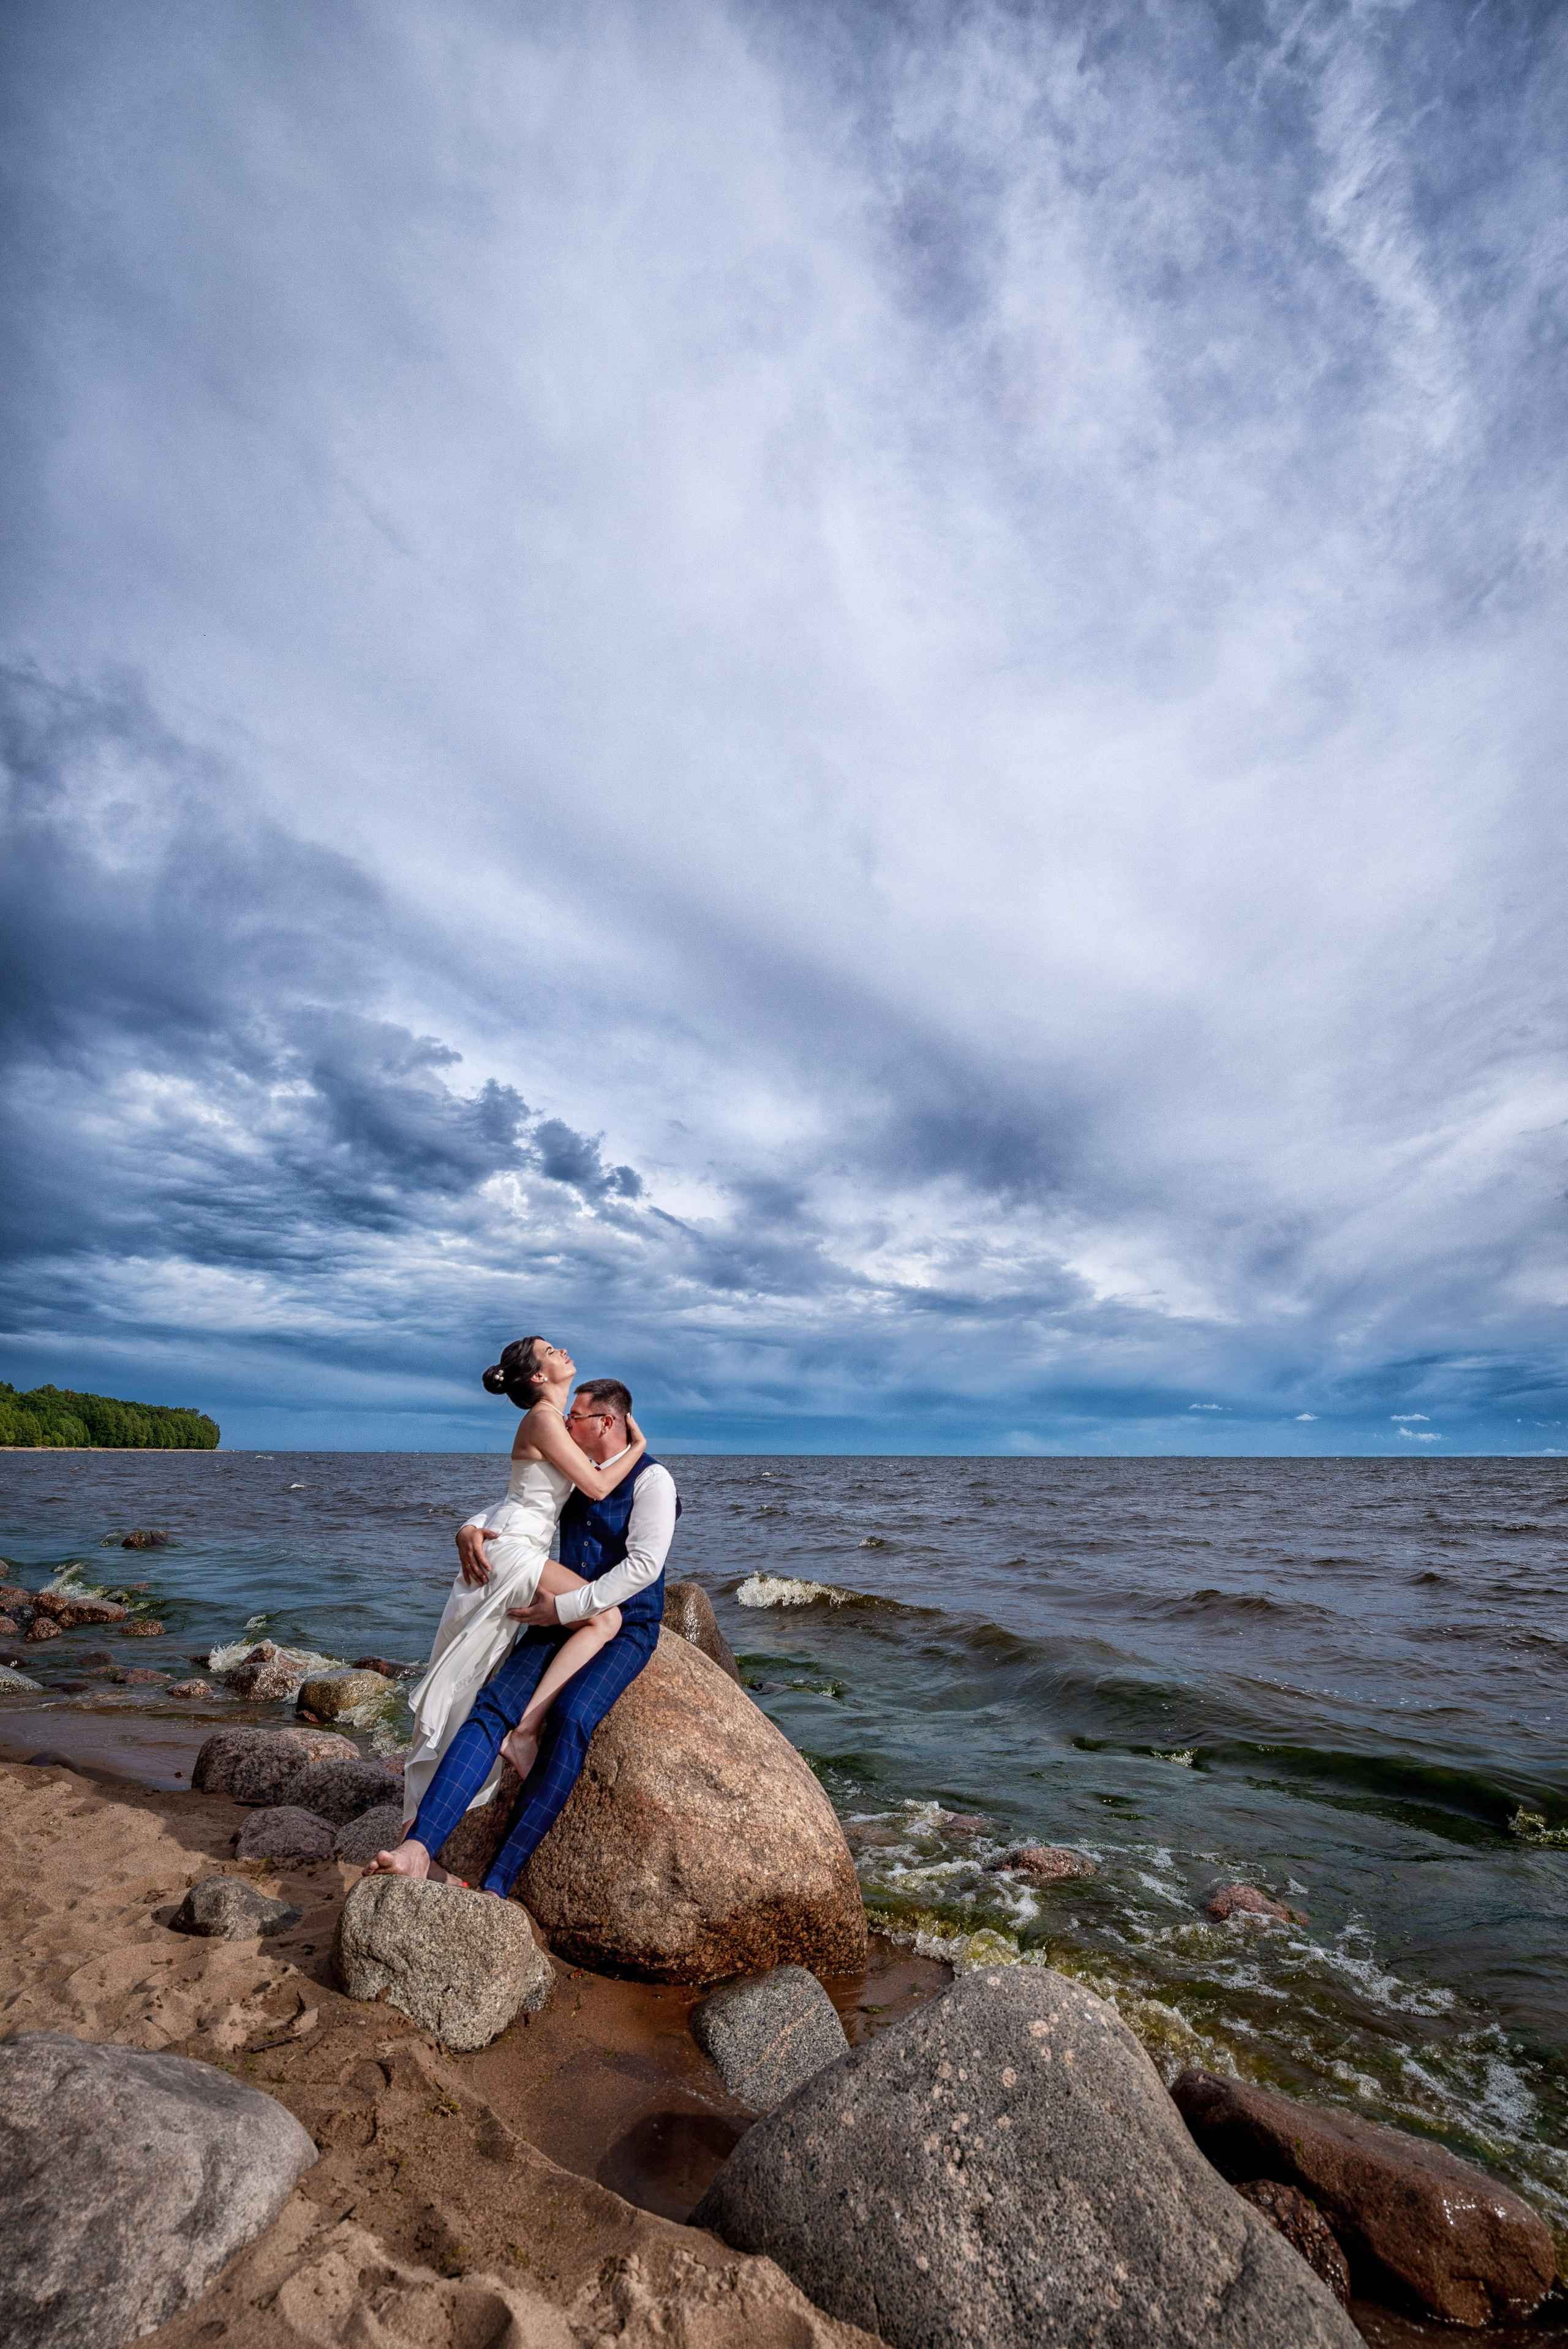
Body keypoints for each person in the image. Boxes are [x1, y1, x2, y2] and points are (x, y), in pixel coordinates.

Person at [369, 1352, 679, 1898]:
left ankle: (500, 1880)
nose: (566, 1423)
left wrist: (565, 1607)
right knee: (491, 1706)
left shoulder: (653, 1480)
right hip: (561, 1611)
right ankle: (417, 1848)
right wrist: (470, 1527)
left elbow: (644, 1567)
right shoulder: (580, 1469)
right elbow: (523, 1500)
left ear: (606, 1421)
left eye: (575, 1417)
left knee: (573, 1718)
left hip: (625, 1624)